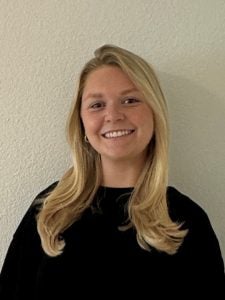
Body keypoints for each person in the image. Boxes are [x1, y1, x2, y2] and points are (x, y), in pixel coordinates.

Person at [0, 44, 224, 299]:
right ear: (81, 122)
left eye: (130, 100)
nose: (113, 115)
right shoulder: (49, 213)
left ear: (155, 113)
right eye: (97, 105)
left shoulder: (185, 220)